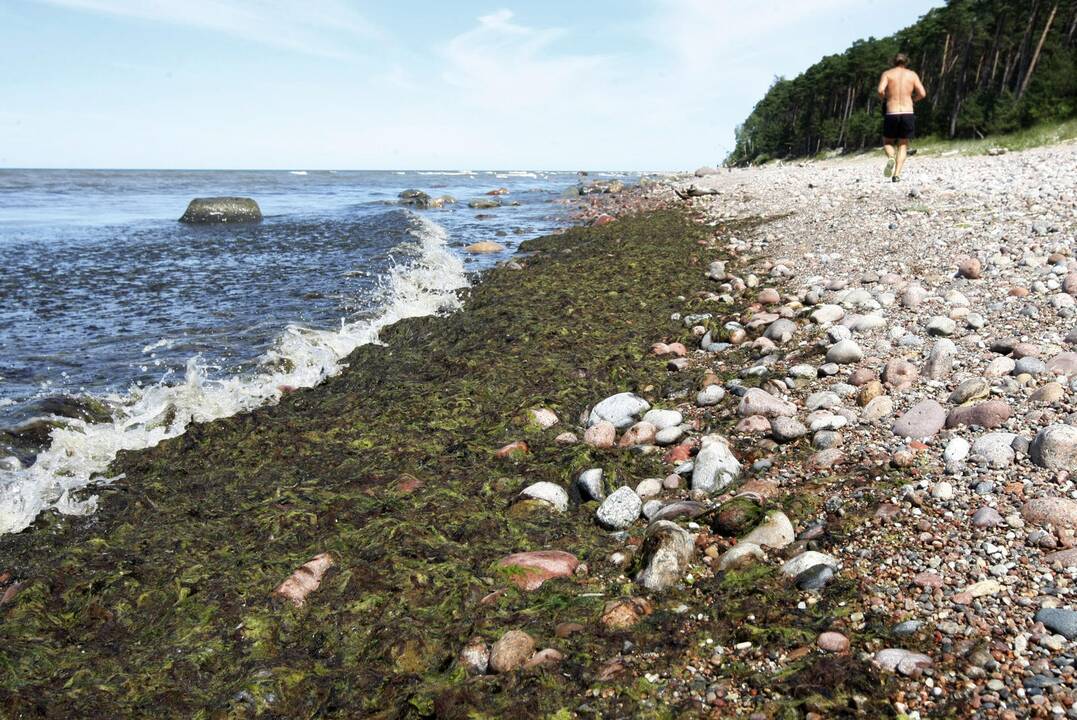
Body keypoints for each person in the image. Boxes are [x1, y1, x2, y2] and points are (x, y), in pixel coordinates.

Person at [877, 53, 927, 182]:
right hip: (907, 112)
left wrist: (886, 99)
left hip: (891, 112)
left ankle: (891, 157)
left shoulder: (887, 74)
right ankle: (897, 175)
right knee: (903, 145)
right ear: (906, 62)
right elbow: (922, 93)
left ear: (893, 62)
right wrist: (913, 100)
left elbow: (880, 90)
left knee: (888, 142)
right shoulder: (912, 75)